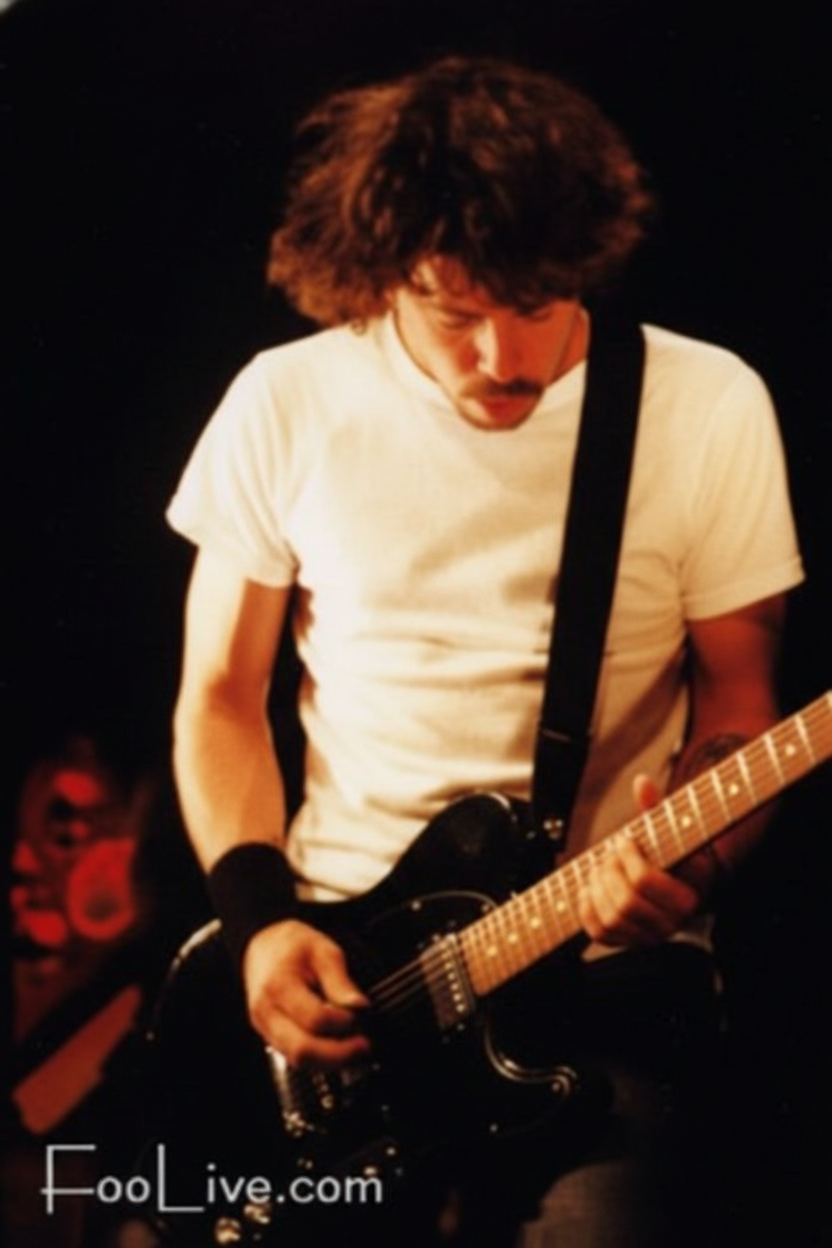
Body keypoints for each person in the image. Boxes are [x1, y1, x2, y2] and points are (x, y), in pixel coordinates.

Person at [166, 56, 804, 1246]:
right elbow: (220, 696)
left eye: (539, 305)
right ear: (378, 276)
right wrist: (258, 924)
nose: (503, 358)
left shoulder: (705, 404)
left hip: (603, 962)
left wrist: (697, 867)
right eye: (454, 314)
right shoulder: (286, 401)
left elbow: (740, 695)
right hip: (346, 955)